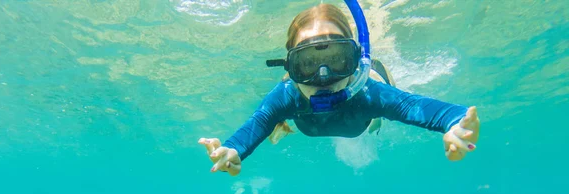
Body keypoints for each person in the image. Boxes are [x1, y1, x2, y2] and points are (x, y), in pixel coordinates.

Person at [199, 3, 480, 176]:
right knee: (275, 120)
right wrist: (232, 150)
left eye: (337, 59)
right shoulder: (287, 95)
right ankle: (284, 124)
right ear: (291, 66)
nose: (323, 77)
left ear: (356, 59)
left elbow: (419, 107)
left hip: (364, 119)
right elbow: (257, 122)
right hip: (304, 119)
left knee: (385, 95)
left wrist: (458, 124)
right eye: (307, 63)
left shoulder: (369, 93)